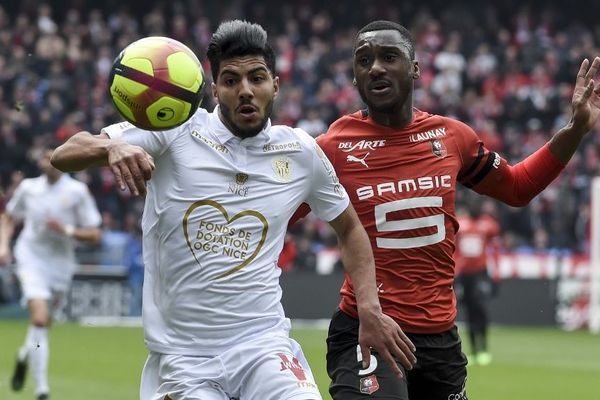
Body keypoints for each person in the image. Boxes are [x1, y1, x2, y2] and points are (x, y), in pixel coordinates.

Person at [51, 20, 416, 400]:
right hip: (182, 360)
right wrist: (111, 147)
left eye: (257, 78)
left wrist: (370, 309)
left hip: (264, 348)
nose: (245, 91)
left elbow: (350, 229)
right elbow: (64, 155)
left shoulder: (300, 152)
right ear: (214, 91)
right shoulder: (174, 131)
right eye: (230, 81)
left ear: (275, 84)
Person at [293, 20, 600, 400]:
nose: (375, 68)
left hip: (440, 340)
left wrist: (574, 131)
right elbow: (281, 217)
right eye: (364, 60)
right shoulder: (334, 146)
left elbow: (518, 188)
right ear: (354, 76)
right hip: (368, 328)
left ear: (416, 68)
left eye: (389, 57)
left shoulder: (452, 137)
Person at [0, 144, 102, 400]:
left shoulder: (77, 192)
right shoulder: (28, 188)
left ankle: (25, 354)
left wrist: (66, 231)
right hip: (31, 257)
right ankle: (42, 389)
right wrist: (3, 245)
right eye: (44, 156)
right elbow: (9, 217)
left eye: (51, 155)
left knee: (43, 325)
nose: (47, 160)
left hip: (61, 265)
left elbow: (94, 233)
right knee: (38, 318)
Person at [454, 201, 501, 366]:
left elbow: (495, 248)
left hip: (480, 273)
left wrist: (495, 274)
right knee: (469, 311)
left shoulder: (488, 225)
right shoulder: (461, 224)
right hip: (464, 274)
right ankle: (474, 350)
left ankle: (484, 349)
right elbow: (454, 248)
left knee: (480, 309)